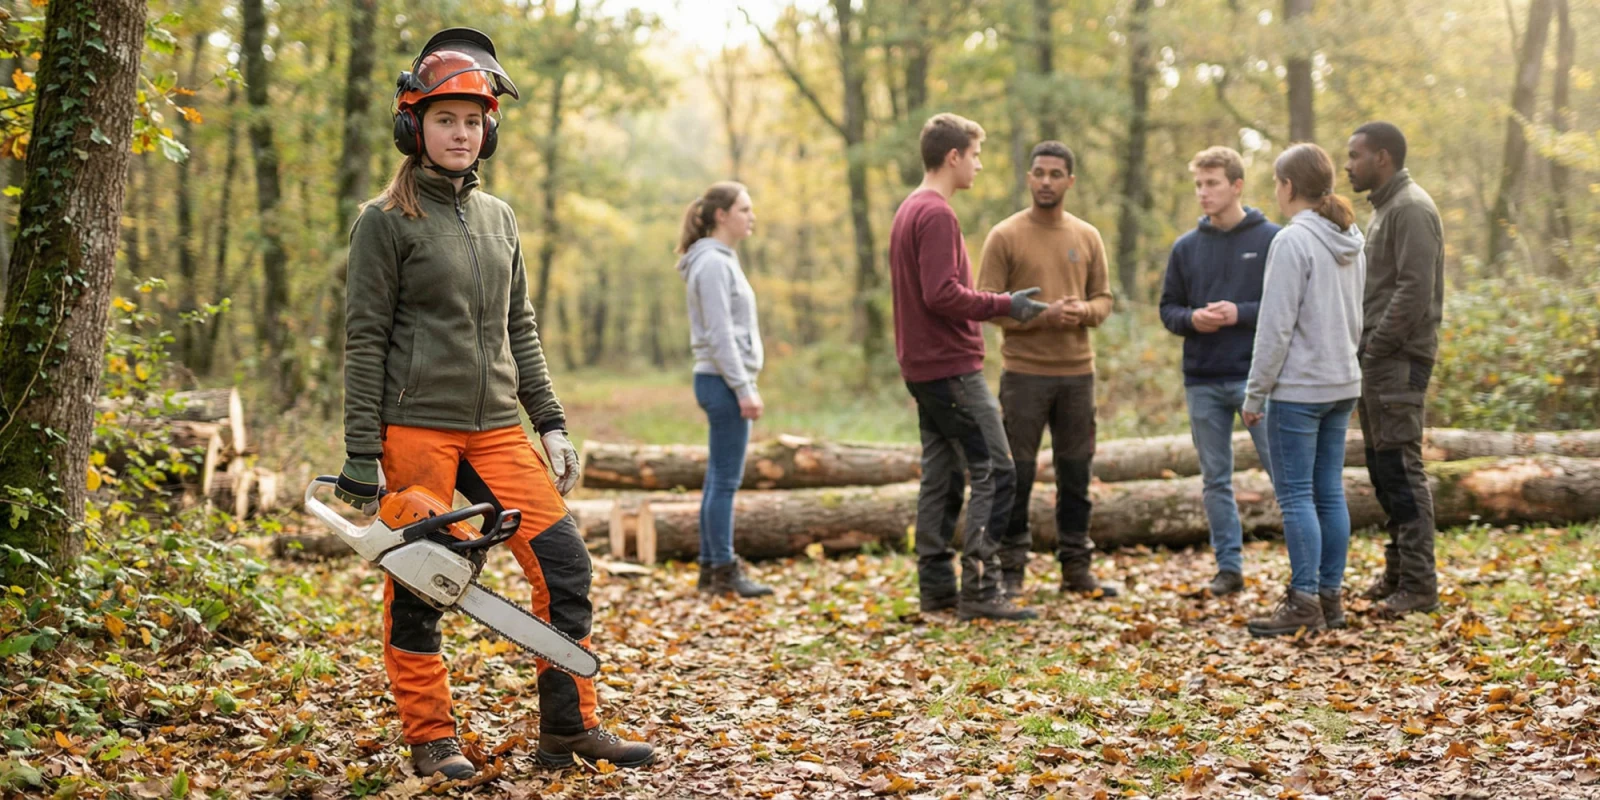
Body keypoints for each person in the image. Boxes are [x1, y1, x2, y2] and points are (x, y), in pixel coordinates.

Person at [333, 28, 653, 778]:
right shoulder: (385, 222)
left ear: (490, 130)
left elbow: (521, 329)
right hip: (417, 431)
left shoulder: (499, 218)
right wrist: (358, 452)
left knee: (565, 567)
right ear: (414, 126)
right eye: (446, 119)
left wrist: (552, 423)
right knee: (422, 584)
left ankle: (568, 729)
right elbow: (364, 339)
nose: (461, 133)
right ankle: (430, 736)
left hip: (500, 430)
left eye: (474, 121)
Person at [890, 112, 1050, 622]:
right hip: (949, 367)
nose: (979, 165)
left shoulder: (908, 209)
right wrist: (1005, 305)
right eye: (975, 155)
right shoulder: (935, 213)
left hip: (923, 367)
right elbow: (941, 294)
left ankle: (936, 589)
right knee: (996, 470)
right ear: (953, 156)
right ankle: (981, 590)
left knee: (942, 473)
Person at [976, 141, 1118, 599]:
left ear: (1069, 182)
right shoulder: (1005, 235)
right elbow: (987, 307)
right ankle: (1012, 567)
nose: (1046, 181)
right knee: (1015, 472)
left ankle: (1076, 567)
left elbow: (1105, 299)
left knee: (1076, 472)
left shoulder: (1087, 235)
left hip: (1077, 373)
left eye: (1055, 174)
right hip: (1024, 375)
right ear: (1028, 177)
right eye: (1039, 172)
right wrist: (1041, 315)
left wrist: (1084, 312)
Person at [1241, 143, 1365, 638]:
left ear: (1289, 186)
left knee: (1296, 497)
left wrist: (1255, 394)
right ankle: (1330, 598)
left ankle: (1304, 598)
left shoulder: (1292, 242)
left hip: (1300, 389)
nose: (1275, 191)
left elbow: (1275, 327)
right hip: (1342, 383)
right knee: (1329, 493)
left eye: (1277, 182)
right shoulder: (1350, 236)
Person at [1158, 146, 1280, 597]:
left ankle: (1304, 572)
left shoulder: (1271, 239)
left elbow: (1286, 308)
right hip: (1203, 379)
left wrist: (1238, 313)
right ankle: (1228, 569)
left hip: (1258, 378)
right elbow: (1168, 309)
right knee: (1216, 480)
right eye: (1199, 184)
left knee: (1282, 474)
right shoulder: (1186, 248)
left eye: (1212, 183)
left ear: (1236, 185)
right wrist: (1193, 320)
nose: (1203, 193)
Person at [1344, 121, 1445, 618]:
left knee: (1403, 470)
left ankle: (1420, 585)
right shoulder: (1386, 209)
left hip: (1397, 361)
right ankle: (1398, 574)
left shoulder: (1411, 209)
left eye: (1354, 155)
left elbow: (1413, 290)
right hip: (1378, 360)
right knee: (1384, 471)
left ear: (1381, 158)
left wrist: (1377, 348)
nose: (1348, 166)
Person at [676, 182, 774, 598]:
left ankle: (711, 569)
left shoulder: (719, 260)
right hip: (722, 382)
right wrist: (744, 387)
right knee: (725, 481)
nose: (751, 216)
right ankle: (723, 570)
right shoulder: (714, 264)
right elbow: (720, 335)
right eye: (744, 209)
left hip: (719, 380)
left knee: (719, 478)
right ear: (722, 215)